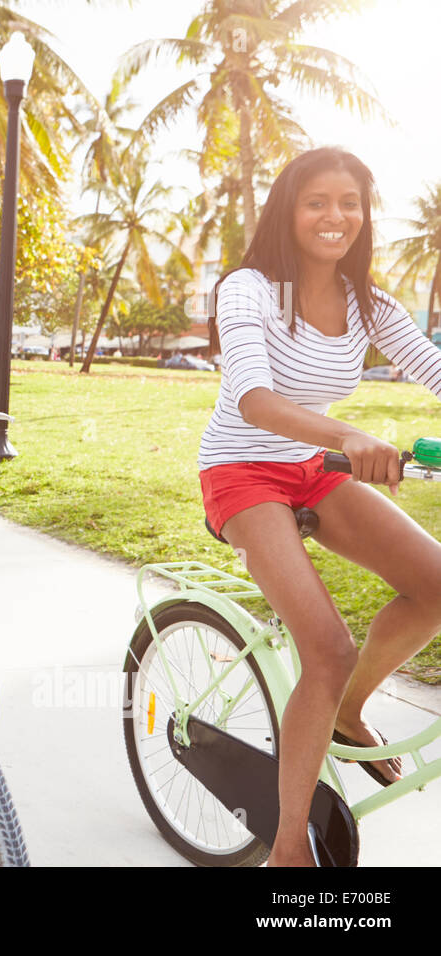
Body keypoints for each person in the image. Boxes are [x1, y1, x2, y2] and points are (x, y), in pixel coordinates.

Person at [199, 146, 441, 866]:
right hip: (241, 470)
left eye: (350, 203)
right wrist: (348, 433)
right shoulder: (248, 289)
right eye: (317, 202)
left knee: (436, 586)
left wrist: (337, 445)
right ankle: (287, 849)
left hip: (311, 468)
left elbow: (433, 368)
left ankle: (346, 710)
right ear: (289, 211)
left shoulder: (371, 303)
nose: (335, 216)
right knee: (327, 647)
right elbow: (253, 397)